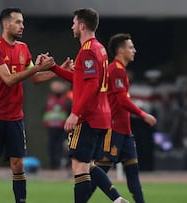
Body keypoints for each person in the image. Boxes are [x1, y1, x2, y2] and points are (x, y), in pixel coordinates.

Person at [0, 8, 56, 203]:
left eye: (22, 22)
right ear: (5, 24)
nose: (22, 25)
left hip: (15, 117)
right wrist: (38, 68)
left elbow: (35, 78)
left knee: (18, 165)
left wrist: (58, 71)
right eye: (18, 22)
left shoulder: (24, 48)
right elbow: (8, 79)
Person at [50, 8, 129, 203]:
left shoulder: (87, 51)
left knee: (79, 166)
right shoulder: (99, 48)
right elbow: (80, 79)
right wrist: (53, 68)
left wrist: (75, 114)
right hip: (102, 115)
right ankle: (117, 200)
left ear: (82, 25)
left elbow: (92, 85)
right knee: (89, 165)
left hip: (87, 116)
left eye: (74, 23)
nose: (72, 26)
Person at [90, 33, 157, 203]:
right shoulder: (116, 70)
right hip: (113, 129)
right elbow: (121, 100)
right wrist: (143, 114)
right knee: (100, 171)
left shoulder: (121, 70)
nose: (134, 50)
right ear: (120, 50)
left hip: (125, 131)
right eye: (131, 47)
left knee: (133, 173)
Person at [42, 80, 71, 169]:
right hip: (51, 128)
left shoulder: (67, 99)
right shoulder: (48, 98)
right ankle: (52, 166)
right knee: (51, 147)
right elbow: (44, 111)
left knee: (62, 147)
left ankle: (61, 165)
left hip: (63, 128)